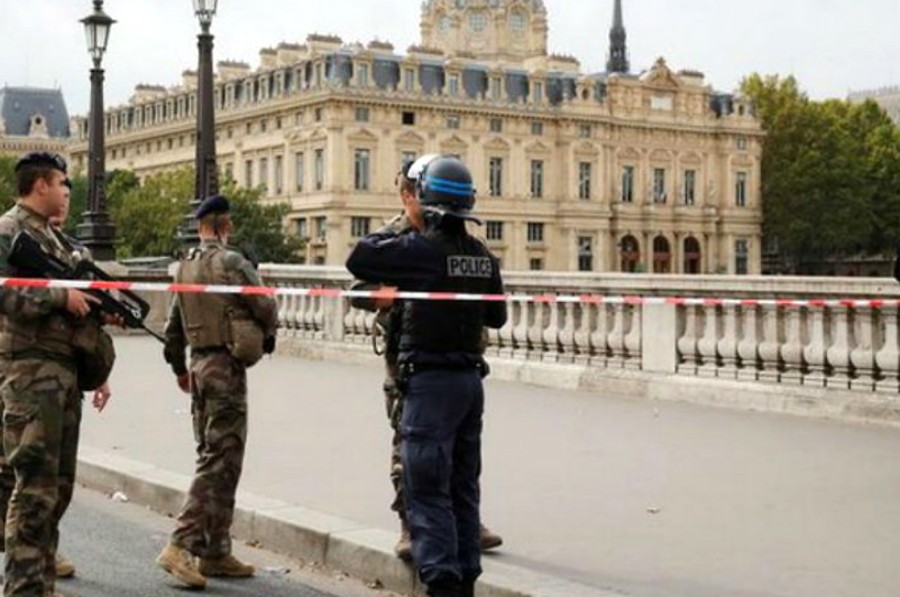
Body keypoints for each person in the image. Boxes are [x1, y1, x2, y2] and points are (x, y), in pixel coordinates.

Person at [347, 155, 507, 597]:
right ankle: (466, 578)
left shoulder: (419, 251)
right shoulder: (483, 255)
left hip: (430, 384)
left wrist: (409, 228)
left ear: (425, 198)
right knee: (463, 486)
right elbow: (497, 316)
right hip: (470, 384)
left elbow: (359, 258)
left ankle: (441, 584)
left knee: (427, 488)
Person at [0, 152, 116, 596]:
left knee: (58, 489)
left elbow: (80, 308)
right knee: (33, 489)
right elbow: (5, 294)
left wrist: (98, 348)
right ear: (40, 185)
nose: (69, 192)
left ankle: (41, 582)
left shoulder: (60, 242)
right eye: (63, 183)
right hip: (29, 376)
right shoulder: (9, 230)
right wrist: (58, 298)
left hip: (63, 375)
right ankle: (25, 588)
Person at [157, 194, 278, 590]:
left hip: (198, 366)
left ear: (200, 225)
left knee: (215, 455)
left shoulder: (184, 266)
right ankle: (181, 544)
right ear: (225, 227)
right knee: (220, 459)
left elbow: (174, 324)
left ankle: (215, 550)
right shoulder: (232, 262)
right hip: (226, 368)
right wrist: (268, 333)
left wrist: (179, 367)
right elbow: (264, 307)